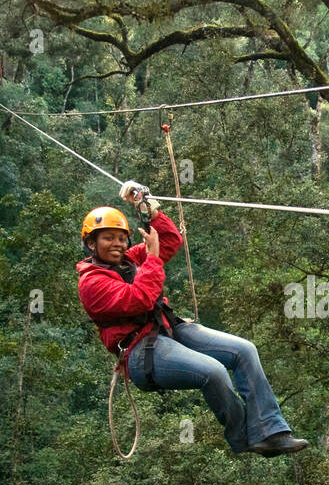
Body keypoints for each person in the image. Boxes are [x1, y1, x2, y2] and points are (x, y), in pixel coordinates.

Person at [77, 185, 308, 457]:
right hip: (140, 352)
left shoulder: (130, 260)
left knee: (244, 350)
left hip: (168, 330)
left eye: (121, 238)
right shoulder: (92, 283)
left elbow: (170, 240)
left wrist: (148, 210)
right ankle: (244, 436)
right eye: (108, 238)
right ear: (91, 244)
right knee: (213, 372)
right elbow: (139, 297)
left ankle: (269, 432)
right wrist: (151, 258)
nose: (117, 244)